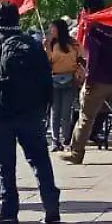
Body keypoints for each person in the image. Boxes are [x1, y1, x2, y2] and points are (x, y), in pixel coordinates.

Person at [0, 0, 61, 224]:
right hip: (31, 112)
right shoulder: (32, 44)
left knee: (4, 163)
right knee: (40, 160)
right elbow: (45, 77)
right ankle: (51, 208)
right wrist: (45, 106)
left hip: (0, 112)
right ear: (17, 19)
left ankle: (8, 210)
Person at [62, 0, 112, 165]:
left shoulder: (93, 29)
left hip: (98, 81)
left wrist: (89, 78)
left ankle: (76, 153)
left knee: (86, 118)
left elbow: (94, 57)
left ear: (87, 10)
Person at [45, 17, 83, 151]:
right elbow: (48, 61)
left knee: (66, 112)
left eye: (53, 28)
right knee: (55, 112)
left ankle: (66, 140)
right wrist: (47, 46)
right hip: (54, 80)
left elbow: (81, 57)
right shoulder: (50, 44)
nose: (51, 31)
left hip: (70, 80)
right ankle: (55, 141)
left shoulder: (73, 44)